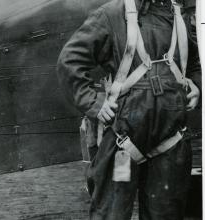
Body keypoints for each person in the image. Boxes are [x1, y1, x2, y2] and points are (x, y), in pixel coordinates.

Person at [57, 0, 201, 219]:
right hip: (123, 147)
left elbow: (194, 64)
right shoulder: (112, 15)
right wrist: (94, 103)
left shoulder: (177, 17)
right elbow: (70, 61)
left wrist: (196, 85)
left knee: (167, 213)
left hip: (170, 144)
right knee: (111, 213)